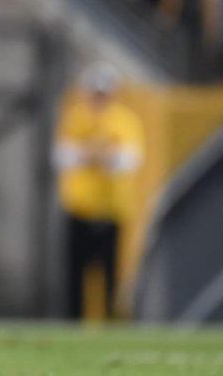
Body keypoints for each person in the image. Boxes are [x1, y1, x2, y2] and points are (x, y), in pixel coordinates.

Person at [52, 63, 144, 320]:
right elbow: (63, 157)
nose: (98, 98)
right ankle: (72, 325)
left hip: (112, 209)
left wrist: (93, 155)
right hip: (80, 208)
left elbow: (129, 160)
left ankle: (111, 325)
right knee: (75, 276)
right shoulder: (76, 117)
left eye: (103, 92)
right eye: (95, 92)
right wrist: (98, 154)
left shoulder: (124, 120)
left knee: (111, 276)